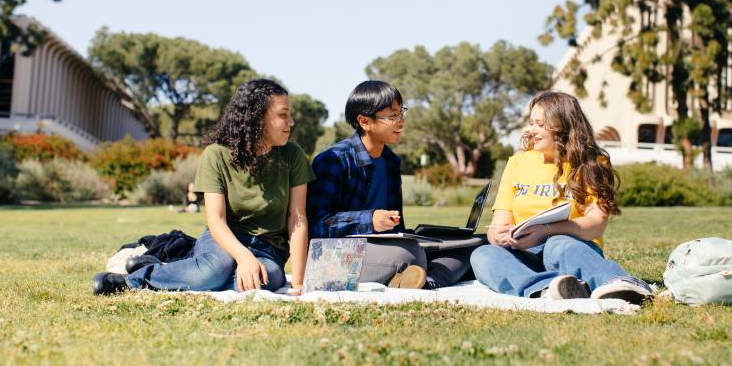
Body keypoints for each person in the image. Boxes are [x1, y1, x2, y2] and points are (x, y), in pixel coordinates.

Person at [92, 79, 315, 295]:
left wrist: (298, 282)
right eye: (283, 115)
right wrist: (244, 257)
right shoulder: (216, 155)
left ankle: (178, 267)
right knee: (215, 271)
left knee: (260, 282)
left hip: (269, 249)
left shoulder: (293, 155)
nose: (291, 122)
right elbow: (215, 220)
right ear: (257, 118)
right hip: (225, 239)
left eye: (290, 115)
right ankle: (136, 278)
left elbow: (297, 220)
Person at [470, 91, 653, 304]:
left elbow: (596, 224)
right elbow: (496, 227)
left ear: (562, 126)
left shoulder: (592, 162)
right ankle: (547, 289)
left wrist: (547, 231)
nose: (531, 131)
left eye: (540, 124)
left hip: (569, 248)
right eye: (531, 123)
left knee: (557, 244)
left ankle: (618, 283)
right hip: (523, 253)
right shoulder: (518, 163)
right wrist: (500, 236)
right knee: (483, 254)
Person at [307, 80, 472, 289]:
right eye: (392, 116)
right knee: (408, 253)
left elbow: (396, 226)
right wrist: (369, 220)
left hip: (384, 249)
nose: (401, 122)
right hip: (337, 255)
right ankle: (418, 275)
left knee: (469, 246)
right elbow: (316, 224)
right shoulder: (334, 159)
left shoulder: (391, 161)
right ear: (364, 121)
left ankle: (425, 281)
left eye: (401, 113)